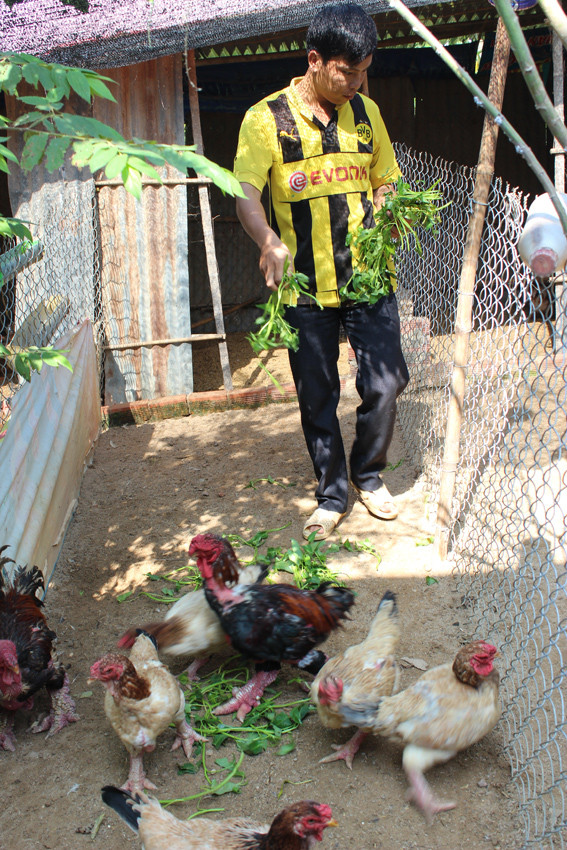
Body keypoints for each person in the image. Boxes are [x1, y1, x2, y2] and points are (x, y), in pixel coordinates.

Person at [233, 2, 409, 540]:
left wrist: (389, 210)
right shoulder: (265, 120)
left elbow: (385, 178)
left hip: (368, 276)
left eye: (364, 72)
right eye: (346, 72)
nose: (356, 83)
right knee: (318, 394)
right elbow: (245, 193)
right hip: (304, 289)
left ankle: (368, 474)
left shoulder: (367, 113)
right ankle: (332, 494)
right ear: (315, 60)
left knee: (387, 381)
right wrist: (267, 240)